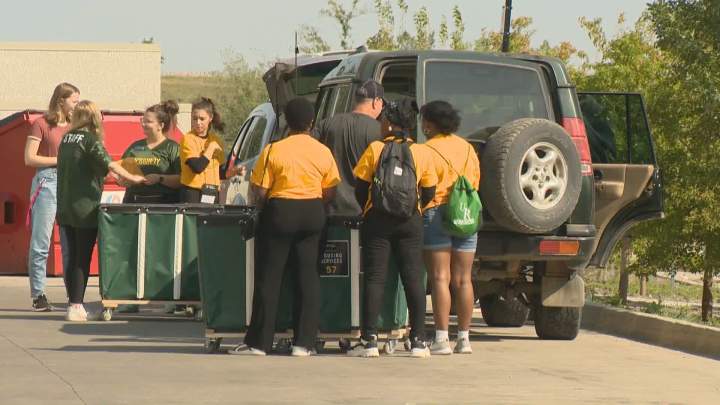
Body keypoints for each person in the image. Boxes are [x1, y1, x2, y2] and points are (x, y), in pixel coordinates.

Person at [229, 97, 340, 357]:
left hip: (280, 213)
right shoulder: (322, 151)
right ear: (312, 122)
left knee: (269, 278)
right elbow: (330, 190)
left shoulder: (273, 150)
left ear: (286, 122)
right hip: (313, 212)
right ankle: (304, 343)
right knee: (308, 277)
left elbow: (260, 191)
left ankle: (259, 343)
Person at [348, 98, 438, 358]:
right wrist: (412, 207)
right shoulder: (422, 152)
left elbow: (360, 187)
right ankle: (418, 340)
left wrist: (372, 208)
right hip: (410, 220)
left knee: (375, 277)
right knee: (413, 278)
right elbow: (429, 191)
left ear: (389, 124)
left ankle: (369, 341)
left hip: (378, 220)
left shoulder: (375, 149)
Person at [56, 100, 145, 322]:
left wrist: (115, 177)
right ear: (94, 117)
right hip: (85, 207)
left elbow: (91, 169)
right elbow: (109, 164)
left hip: (66, 206)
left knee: (72, 256)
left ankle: (74, 303)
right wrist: (134, 178)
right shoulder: (89, 140)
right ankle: (76, 306)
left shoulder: (66, 139)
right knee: (82, 257)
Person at [421, 100, 481, 355]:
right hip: (466, 213)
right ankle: (464, 339)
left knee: (440, 278)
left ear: (430, 124)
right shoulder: (467, 147)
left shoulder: (426, 149)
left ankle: (442, 339)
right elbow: (475, 181)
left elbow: (424, 185)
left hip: (436, 211)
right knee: (464, 279)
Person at [24, 82, 80, 312]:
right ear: (61, 100)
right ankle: (38, 295)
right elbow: (29, 158)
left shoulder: (75, 127)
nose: (76, 105)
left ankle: (73, 295)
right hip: (48, 182)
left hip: (71, 184)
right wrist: (60, 161)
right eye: (74, 101)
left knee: (70, 243)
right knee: (41, 242)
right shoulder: (42, 124)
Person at [314, 80, 384, 216]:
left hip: (331, 209)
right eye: (382, 103)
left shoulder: (326, 124)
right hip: (365, 211)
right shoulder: (379, 130)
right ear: (376, 102)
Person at [179, 97, 240, 203]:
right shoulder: (188, 139)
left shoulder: (216, 140)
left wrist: (232, 172)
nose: (198, 122)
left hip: (211, 192)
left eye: (202, 119)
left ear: (210, 118)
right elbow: (197, 167)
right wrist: (210, 148)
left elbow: (219, 172)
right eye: (194, 118)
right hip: (192, 193)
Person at [120, 100, 182, 203]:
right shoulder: (135, 147)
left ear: (161, 125)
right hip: (134, 203)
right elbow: (120, 173)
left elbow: (181, 179)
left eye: (148, 121)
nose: (143, 124)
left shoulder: (172, 147)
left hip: (163, 205)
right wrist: (126, 180)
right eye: (143, 121)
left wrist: (159, 178)